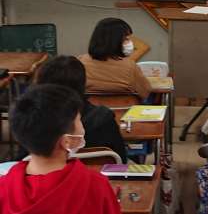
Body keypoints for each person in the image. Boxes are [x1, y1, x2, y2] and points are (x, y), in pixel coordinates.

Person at [0, 84, 121, 214]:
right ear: (66, 141)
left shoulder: (3, 189)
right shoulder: (96, 187)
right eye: (79, 120)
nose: (81, 125)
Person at [35, 55, 127, 162]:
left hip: (47, 172)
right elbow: (121, 160)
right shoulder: (103, 118)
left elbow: (22, 160)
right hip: (99, 172)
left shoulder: (33, 121)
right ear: (83, 84)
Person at [79, 18, 152, 99]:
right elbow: (146, 92)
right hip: (125, 106)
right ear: (115, 41)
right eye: (126, 39)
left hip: (89, 106)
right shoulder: (130, 66)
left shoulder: (80, 62)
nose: (130, 43)